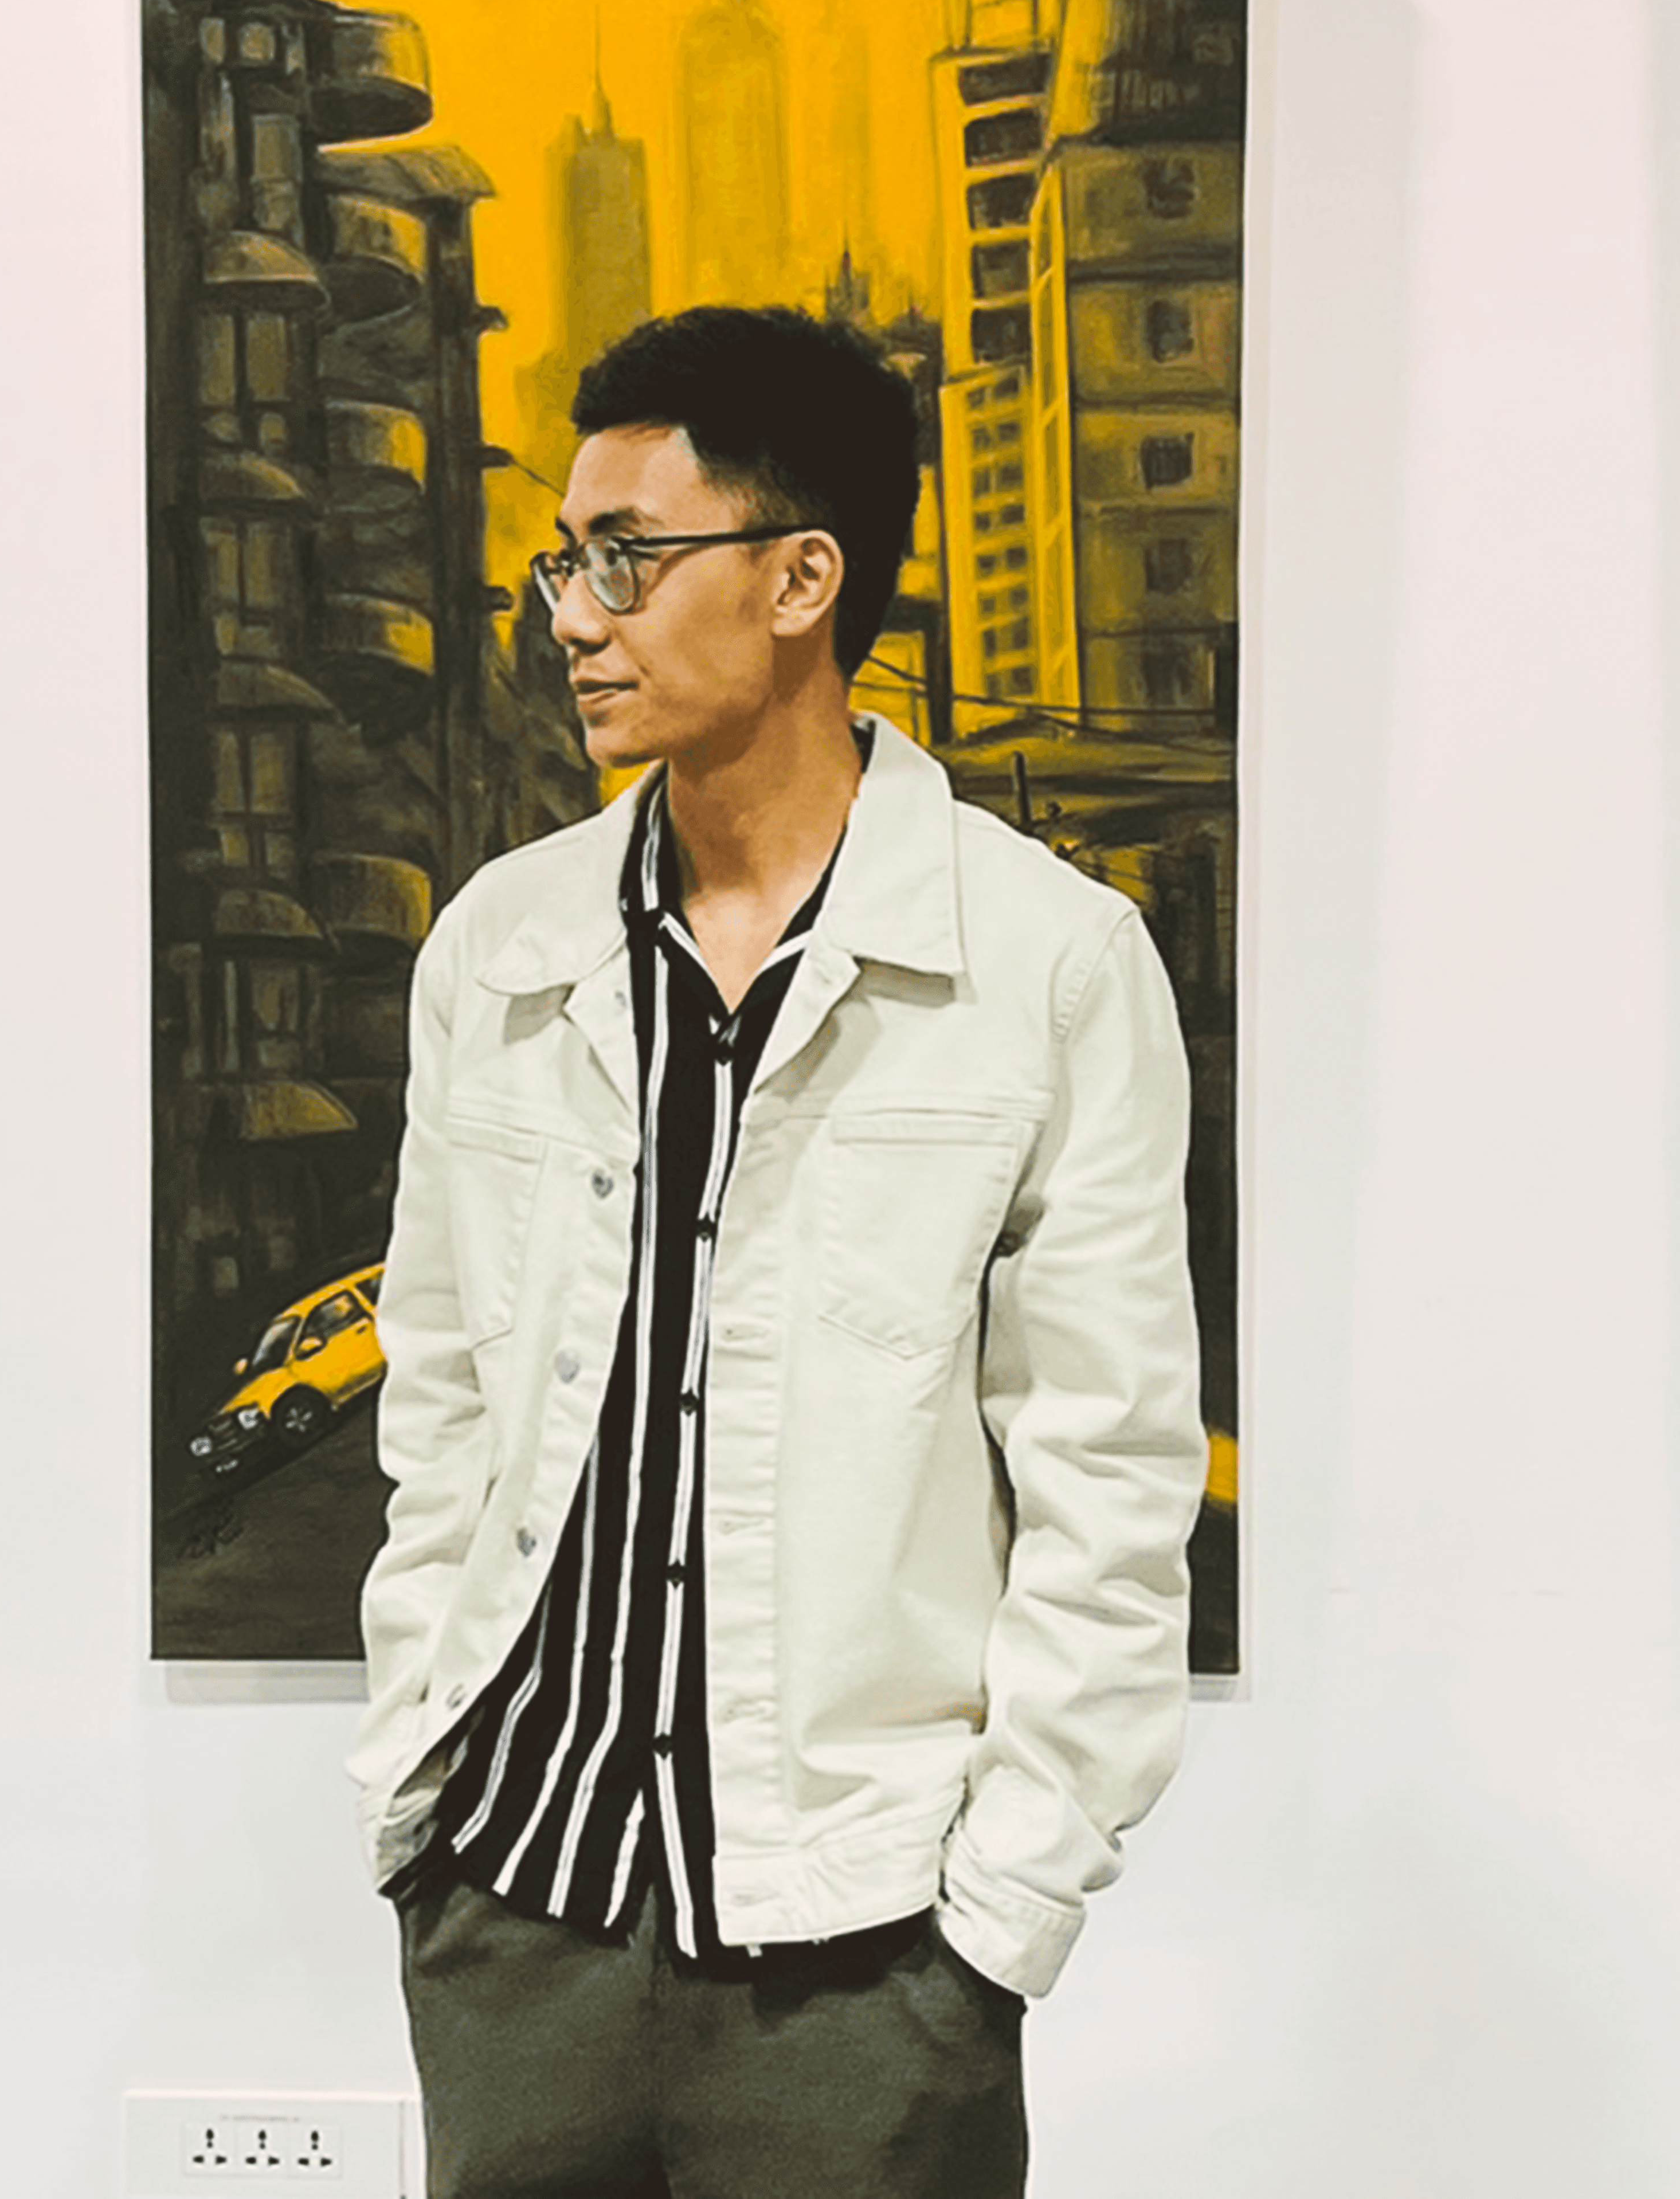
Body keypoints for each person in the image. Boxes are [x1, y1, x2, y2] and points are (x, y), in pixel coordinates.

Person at [352, 304, 1204, 2199]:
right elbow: (446, 1397)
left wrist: (995, 1927)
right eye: (567, 560)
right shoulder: (497, 945)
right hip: (515, 1915)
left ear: (804, 575)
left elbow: (1112, 1482)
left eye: (629, 558)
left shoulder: (1050, 964)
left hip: (868, 1959)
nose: (574, 612)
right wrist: (424, 1797)